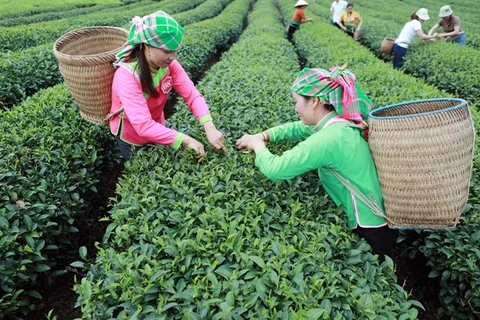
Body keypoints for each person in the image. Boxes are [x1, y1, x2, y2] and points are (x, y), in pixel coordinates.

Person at [236, 65, 397, 262]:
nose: (295, 108)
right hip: (378, 219)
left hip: (369, 227)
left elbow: (276, 169)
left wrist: (257, 145)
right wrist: (263, 135)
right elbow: (297, 128)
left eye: (296, 102)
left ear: (314, 101)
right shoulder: (340, 122)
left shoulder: (328, 139)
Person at [107, 11, 226, 160]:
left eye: (176, 52)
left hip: (157, 123)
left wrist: (209, 126)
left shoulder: (169, 65)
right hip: (132, 135)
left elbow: (192, 94)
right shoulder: (127, 76)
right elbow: (143, 125)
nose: (173, 57)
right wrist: (186, 140)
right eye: (167, 52)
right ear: (147, 46)